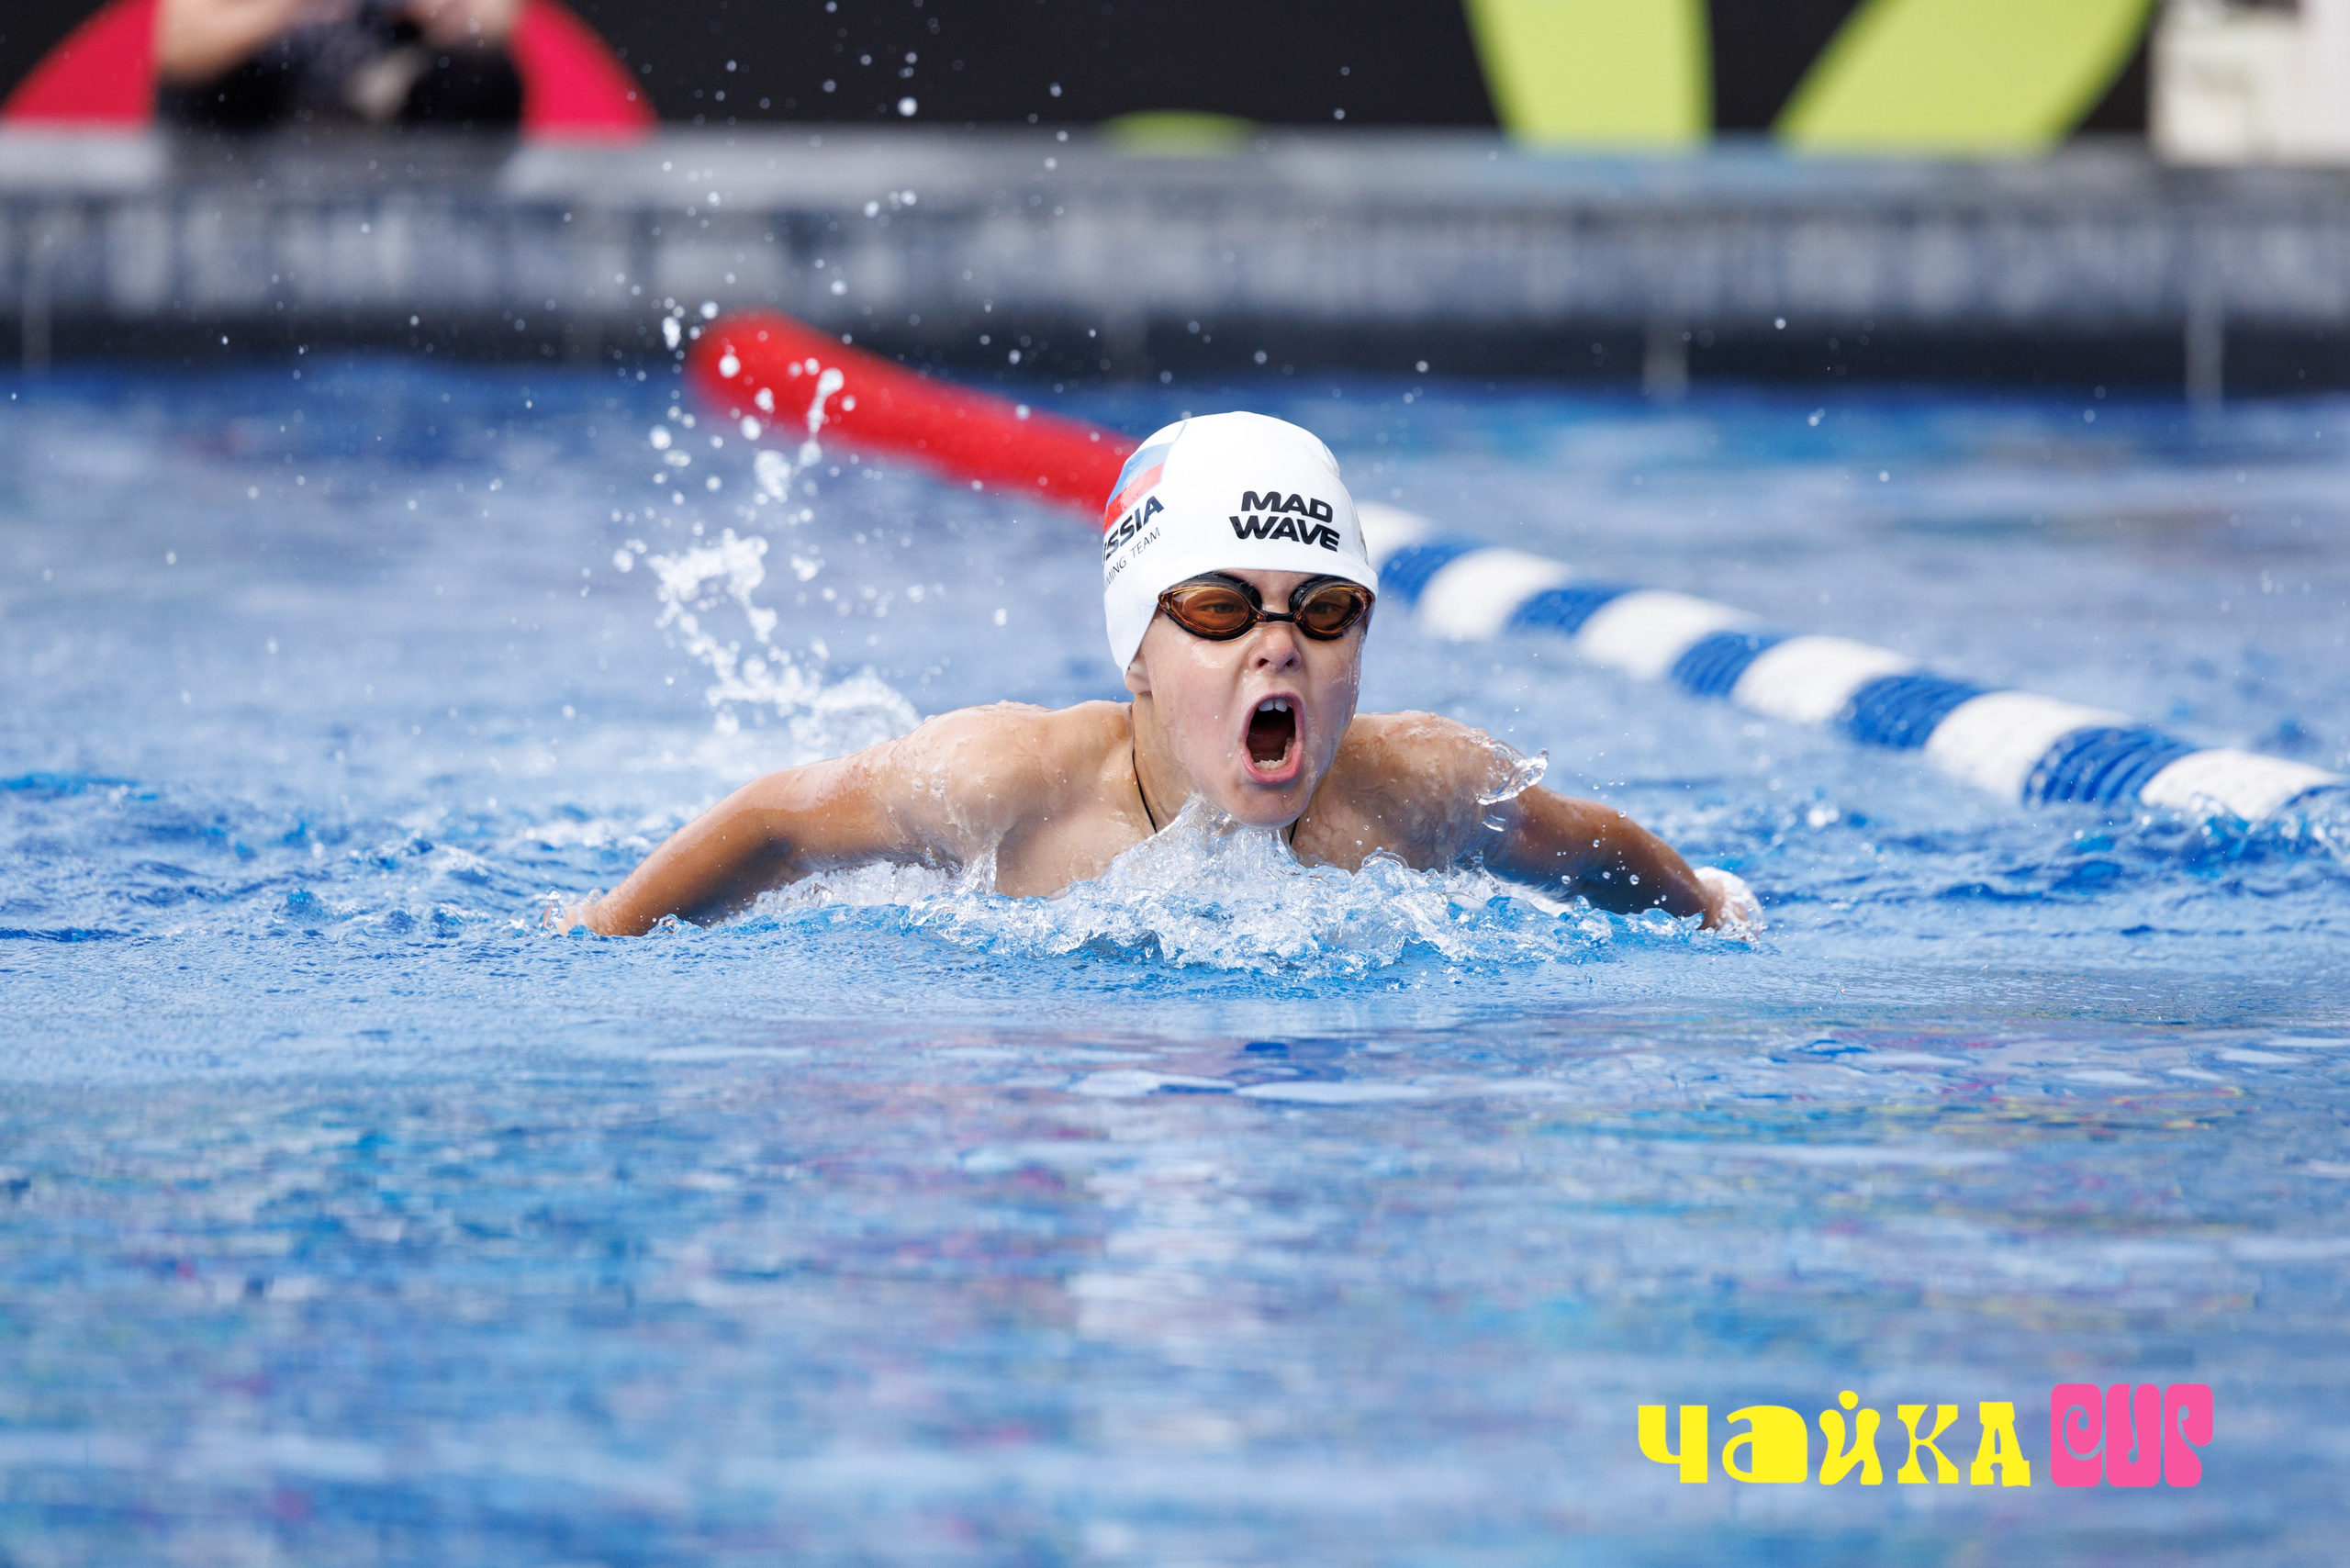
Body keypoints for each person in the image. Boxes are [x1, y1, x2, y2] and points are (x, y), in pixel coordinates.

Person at [565, 412, 1760, 936]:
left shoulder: (1416, 790)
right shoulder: (1006, 784)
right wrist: (604, 930)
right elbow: (778, 820)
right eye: (1221, 609)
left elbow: (1591, 845)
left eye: (1325, 609)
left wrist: (1710, 913)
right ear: (1138, 648)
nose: (1278, 642)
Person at [155, 0, 522, 130]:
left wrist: (447, 10)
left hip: (401, 128)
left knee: (484, 73)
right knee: (201, 86)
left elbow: (495, 24)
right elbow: (179, 46)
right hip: (258, 132)